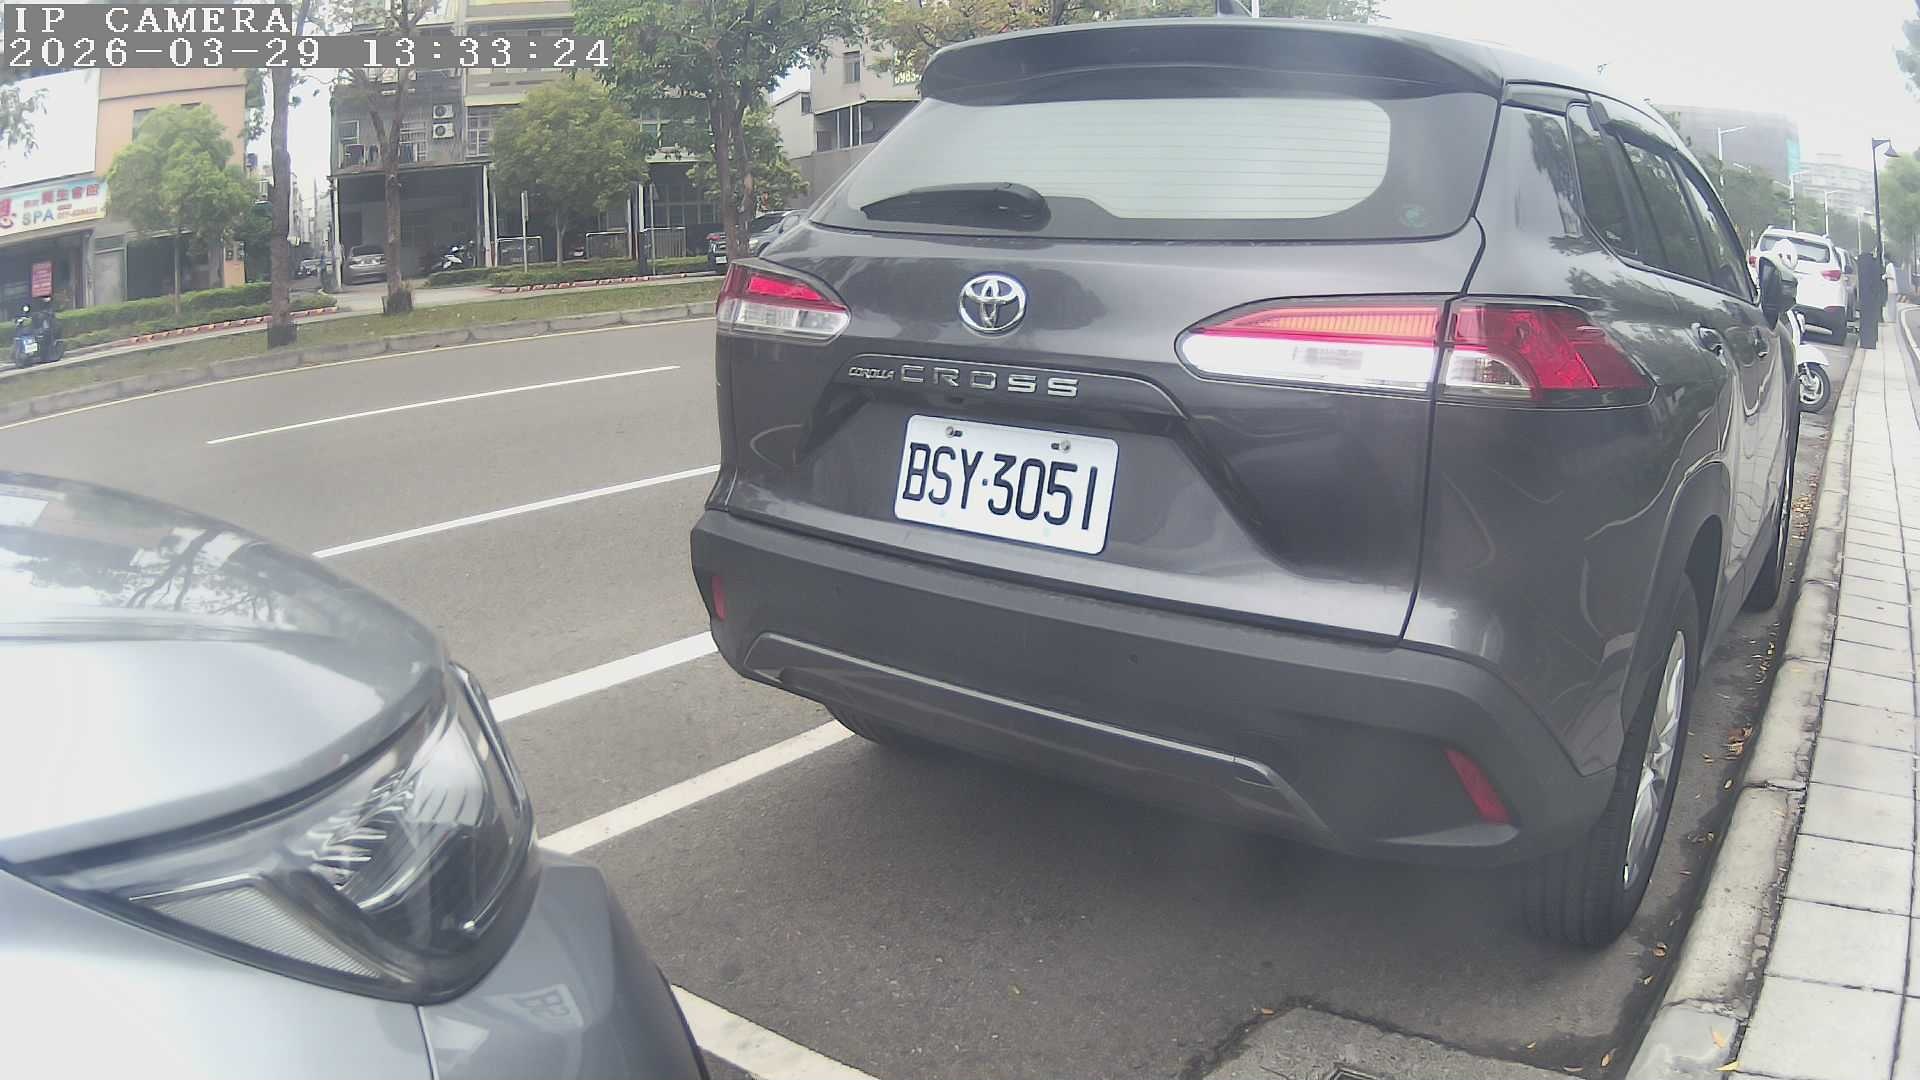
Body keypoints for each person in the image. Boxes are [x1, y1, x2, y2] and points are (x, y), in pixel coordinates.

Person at [1860, 250, 1885, 348]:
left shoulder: (1865, 265)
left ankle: (1868, 340)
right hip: (1872, 297)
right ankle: (1869, 340)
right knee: (1870, 313)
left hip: (1867, 298)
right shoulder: (1874, 265)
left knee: (1867, 313)